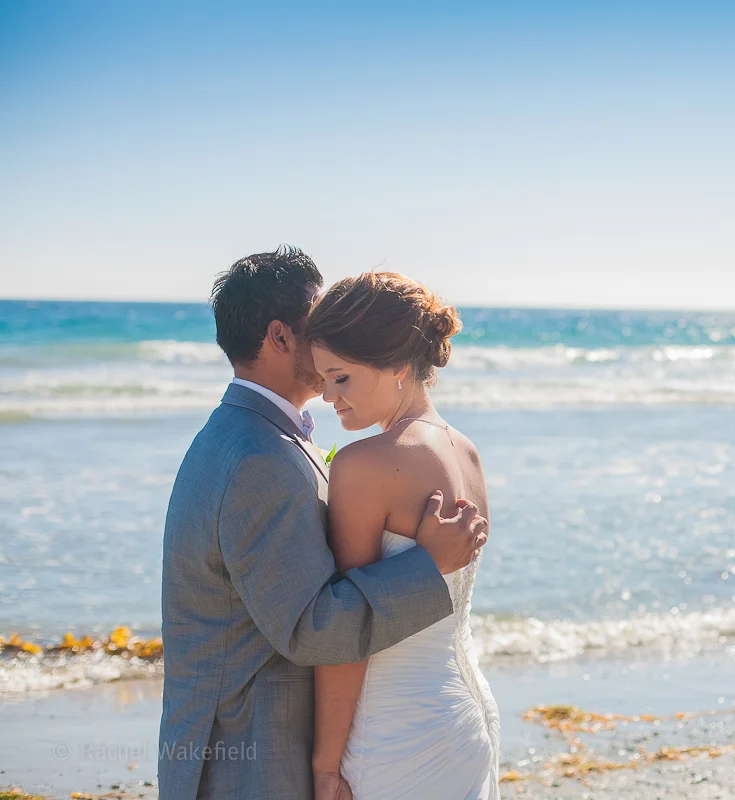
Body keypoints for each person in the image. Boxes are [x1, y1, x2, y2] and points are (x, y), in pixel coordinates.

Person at [158, 246, 488, 799]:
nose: (333, 332)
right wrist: (430, 567)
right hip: (248, 760)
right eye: (319, 322)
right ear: (281, 337)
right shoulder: (256, 457)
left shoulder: (255, 436)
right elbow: (314, 630)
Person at [305, 272, 500, 799]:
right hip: (466, 712)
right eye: (322, 378)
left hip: (393, 733)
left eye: (340, 378)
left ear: (394, 366)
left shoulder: (364, 465)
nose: (326, 395)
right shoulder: (466, 452)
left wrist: (325, 765)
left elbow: (349, 635)